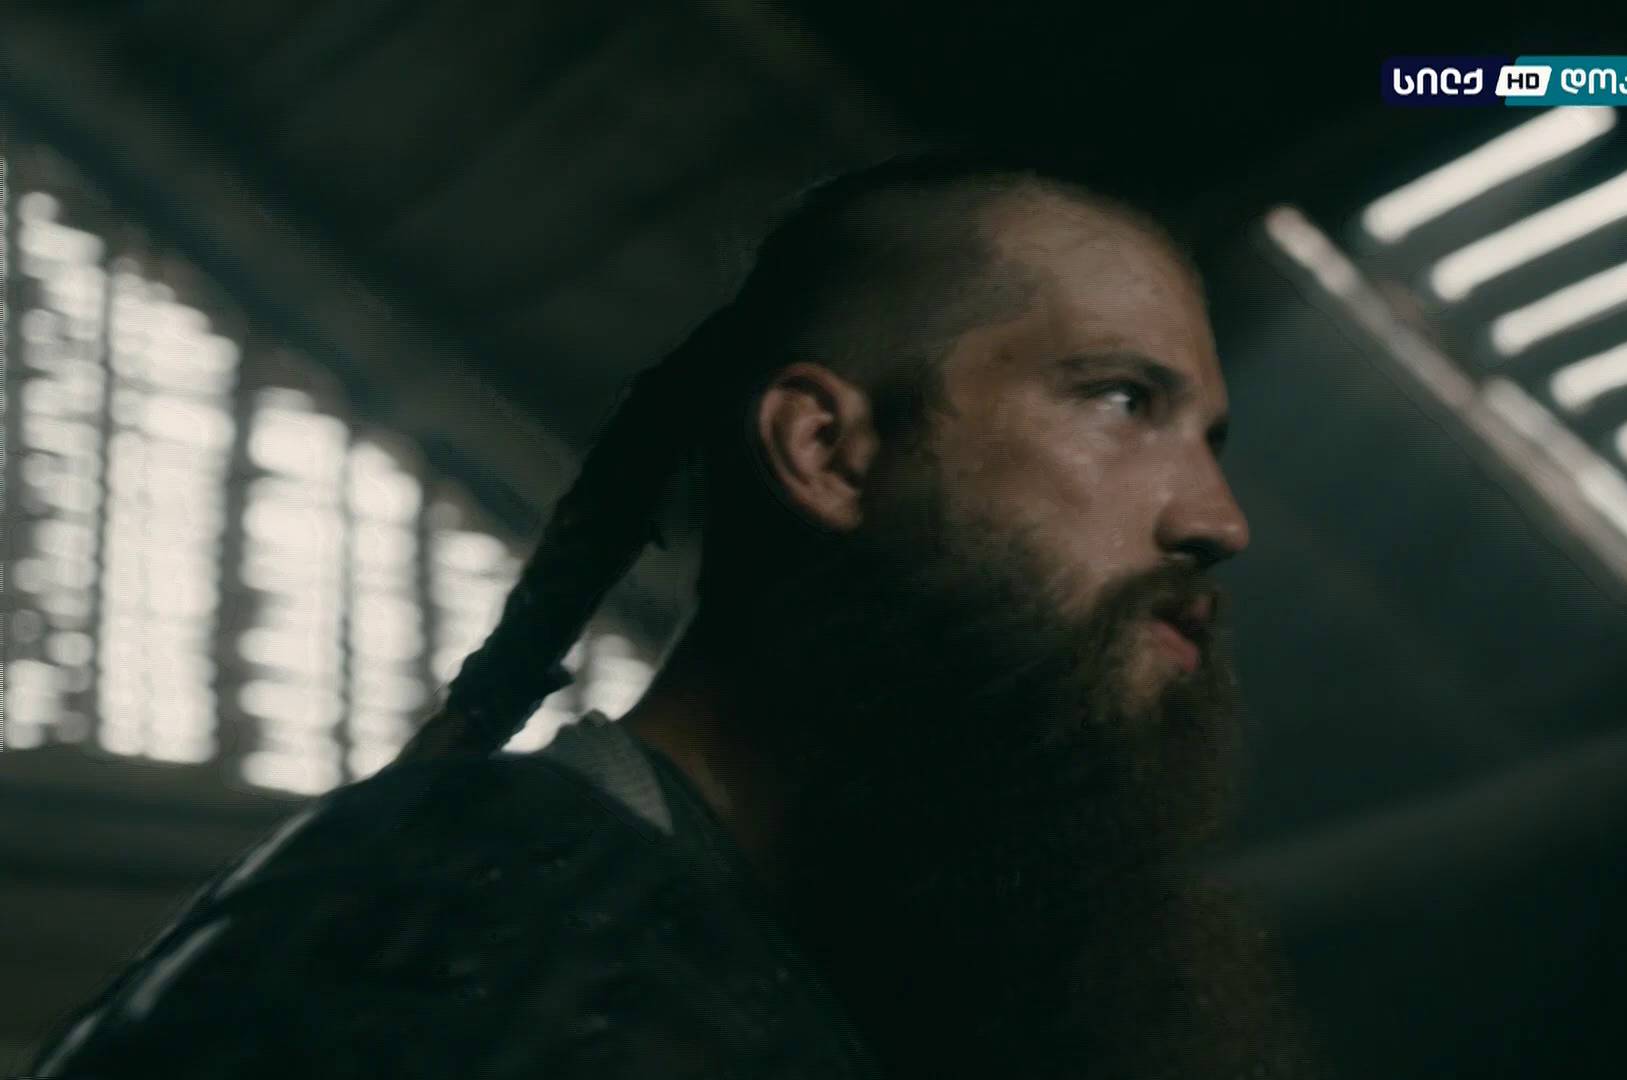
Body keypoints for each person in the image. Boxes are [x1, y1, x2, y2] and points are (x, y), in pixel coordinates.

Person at [25, 153, 1317, 1079]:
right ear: (829, 451)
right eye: (1120, 400)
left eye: (1208, 435)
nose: (1219, 520)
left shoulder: (818, 967)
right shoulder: (463, 908)